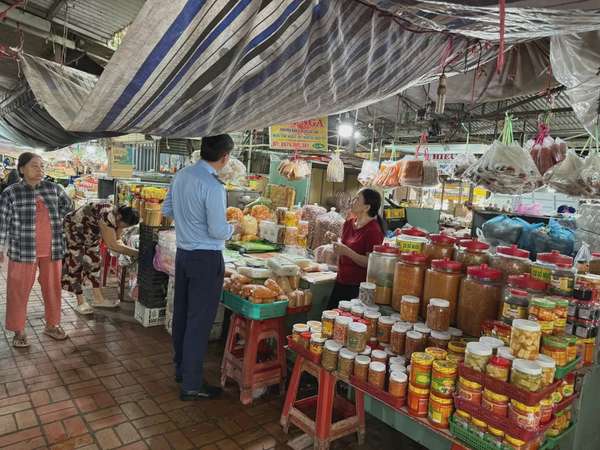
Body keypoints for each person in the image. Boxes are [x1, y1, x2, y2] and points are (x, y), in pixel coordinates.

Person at [162, 134, 234, 401]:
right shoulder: (214, 186)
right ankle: (191, 383)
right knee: (198, 322)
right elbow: (218, 230)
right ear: (225, 157)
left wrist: (187, 222)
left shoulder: (181, 175)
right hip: (206, 259)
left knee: (182, 314)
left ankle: (181, 368)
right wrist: (232, 229)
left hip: (184, 255)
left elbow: (167, 208)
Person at [0, 152, 74, 347]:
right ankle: (19, 331)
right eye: (35, 165)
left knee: (52, 289)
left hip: (53, 249)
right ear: (22, 169)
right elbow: (2, 222)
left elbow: (69, 206)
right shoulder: (11, 192)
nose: (40, 169)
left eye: (42, 166)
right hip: (22, 251)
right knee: (18, 290)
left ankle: (52, 325)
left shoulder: (54, 189)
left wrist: (56, 216)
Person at [62, 202, 140, 314]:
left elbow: (117, 238)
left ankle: (98, 299)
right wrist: (137, 253)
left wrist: (121, 238)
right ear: (119, 217)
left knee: (94, 263)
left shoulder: (118, 215)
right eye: (125, 225)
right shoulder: (107, 217)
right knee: (76, 263)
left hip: (90, 233)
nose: (124, 228)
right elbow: (112, 245)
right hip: (74, 229)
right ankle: (80, 302)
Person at [327, 188, 386, 309]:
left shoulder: (373, 230)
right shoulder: (348, 224)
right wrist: (335, 240)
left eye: (357, 199)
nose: (352, 201)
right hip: (341, 281)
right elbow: (346, 247)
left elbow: (369, 262)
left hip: (357, 288)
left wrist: (347, 252)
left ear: (366, 207)